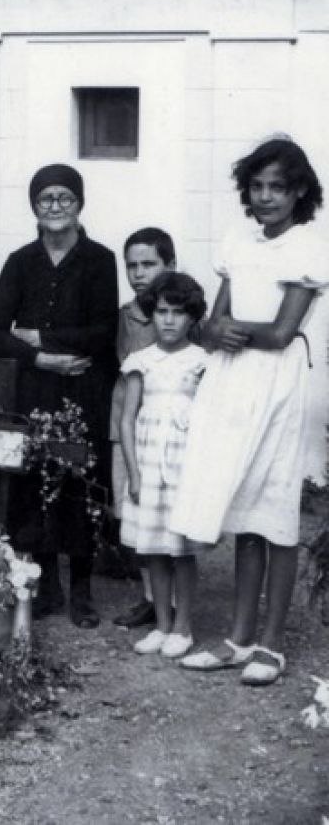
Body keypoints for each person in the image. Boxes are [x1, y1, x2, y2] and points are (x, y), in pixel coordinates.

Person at [170, 137, 327, 685]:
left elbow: (283, 332)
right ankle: (238, 638)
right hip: (233, 383)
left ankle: (273, 644)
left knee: (275, 510)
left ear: (298, 191)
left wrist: (225, 332)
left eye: (277, 188)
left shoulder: (309, 244)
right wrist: (215, 330)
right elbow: (214, 320)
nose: (266, 197)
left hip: (279, 385)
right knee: (243, 512)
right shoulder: (239, 240)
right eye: (257, 187)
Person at [0, 163, 118, 628]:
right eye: (46, 199)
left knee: (78, 478)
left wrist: (39, 335)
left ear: (79, 204)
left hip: (82, 390)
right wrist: (41, 358)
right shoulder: (21, 261)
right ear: (34, 207)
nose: (55, 207)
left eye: (64, 198)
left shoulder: (100, 260)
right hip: (35, 387)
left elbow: (102, 332)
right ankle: (45, 587)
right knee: (35, 480)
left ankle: (81, 589)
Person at [120, 272, 207, 658]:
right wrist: (134, 474)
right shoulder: (142, 361)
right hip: (149, 464)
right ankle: (162, 624)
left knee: (181, 551)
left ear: (192, 317)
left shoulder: (202, 361)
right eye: (161, 312)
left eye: (177, 313)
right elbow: (126, 420)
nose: (169, 320)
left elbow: (209, 420)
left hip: (184, 465)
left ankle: (183, 628)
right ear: (151, 315)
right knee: (154, 548)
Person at [109, 227, 177, 628]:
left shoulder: (186, 313)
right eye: (131, 266)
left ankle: (174, 601)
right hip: (129, 429)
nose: (138, 273)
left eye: (148, 264)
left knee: (169, 514)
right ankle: (151, 597)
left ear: (169, 264)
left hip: (172, 430)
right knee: (133, 514)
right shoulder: (124, 317)